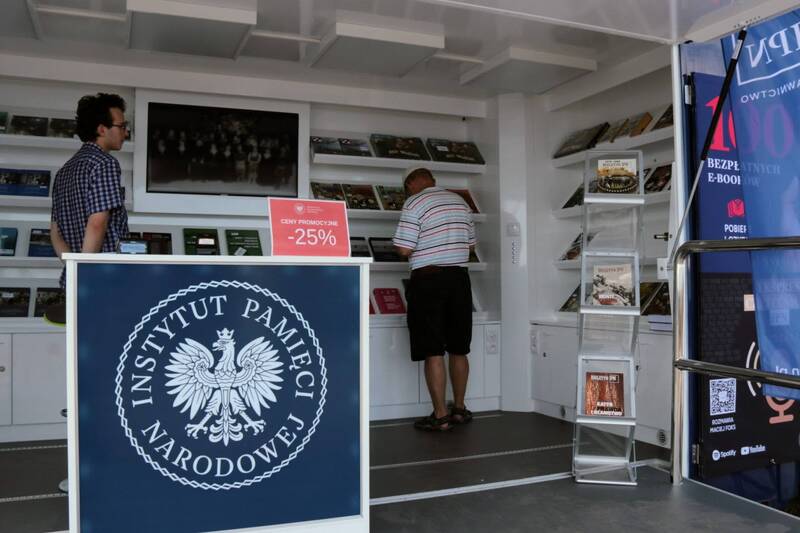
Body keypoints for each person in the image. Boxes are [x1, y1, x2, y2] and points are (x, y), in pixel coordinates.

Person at [393, 167, 476, 432]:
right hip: (459, 279)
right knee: (459, 347)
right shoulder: (460, 202)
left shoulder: (414, 203)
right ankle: (459, 408)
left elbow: (404, 248)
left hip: (428, 281)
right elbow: (471, 246)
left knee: (433, 349)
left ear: (410, 184)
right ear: (432, 180)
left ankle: (440, 416)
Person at [49, 93, 130, 301]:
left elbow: (55, 233)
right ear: (102, 129)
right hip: (102, 278)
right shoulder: (104, 163)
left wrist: (75, 269)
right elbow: (97, 223)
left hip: (74, 279)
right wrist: (87, 273)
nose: (126, 132)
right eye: (122, 126)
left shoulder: (64, 171)